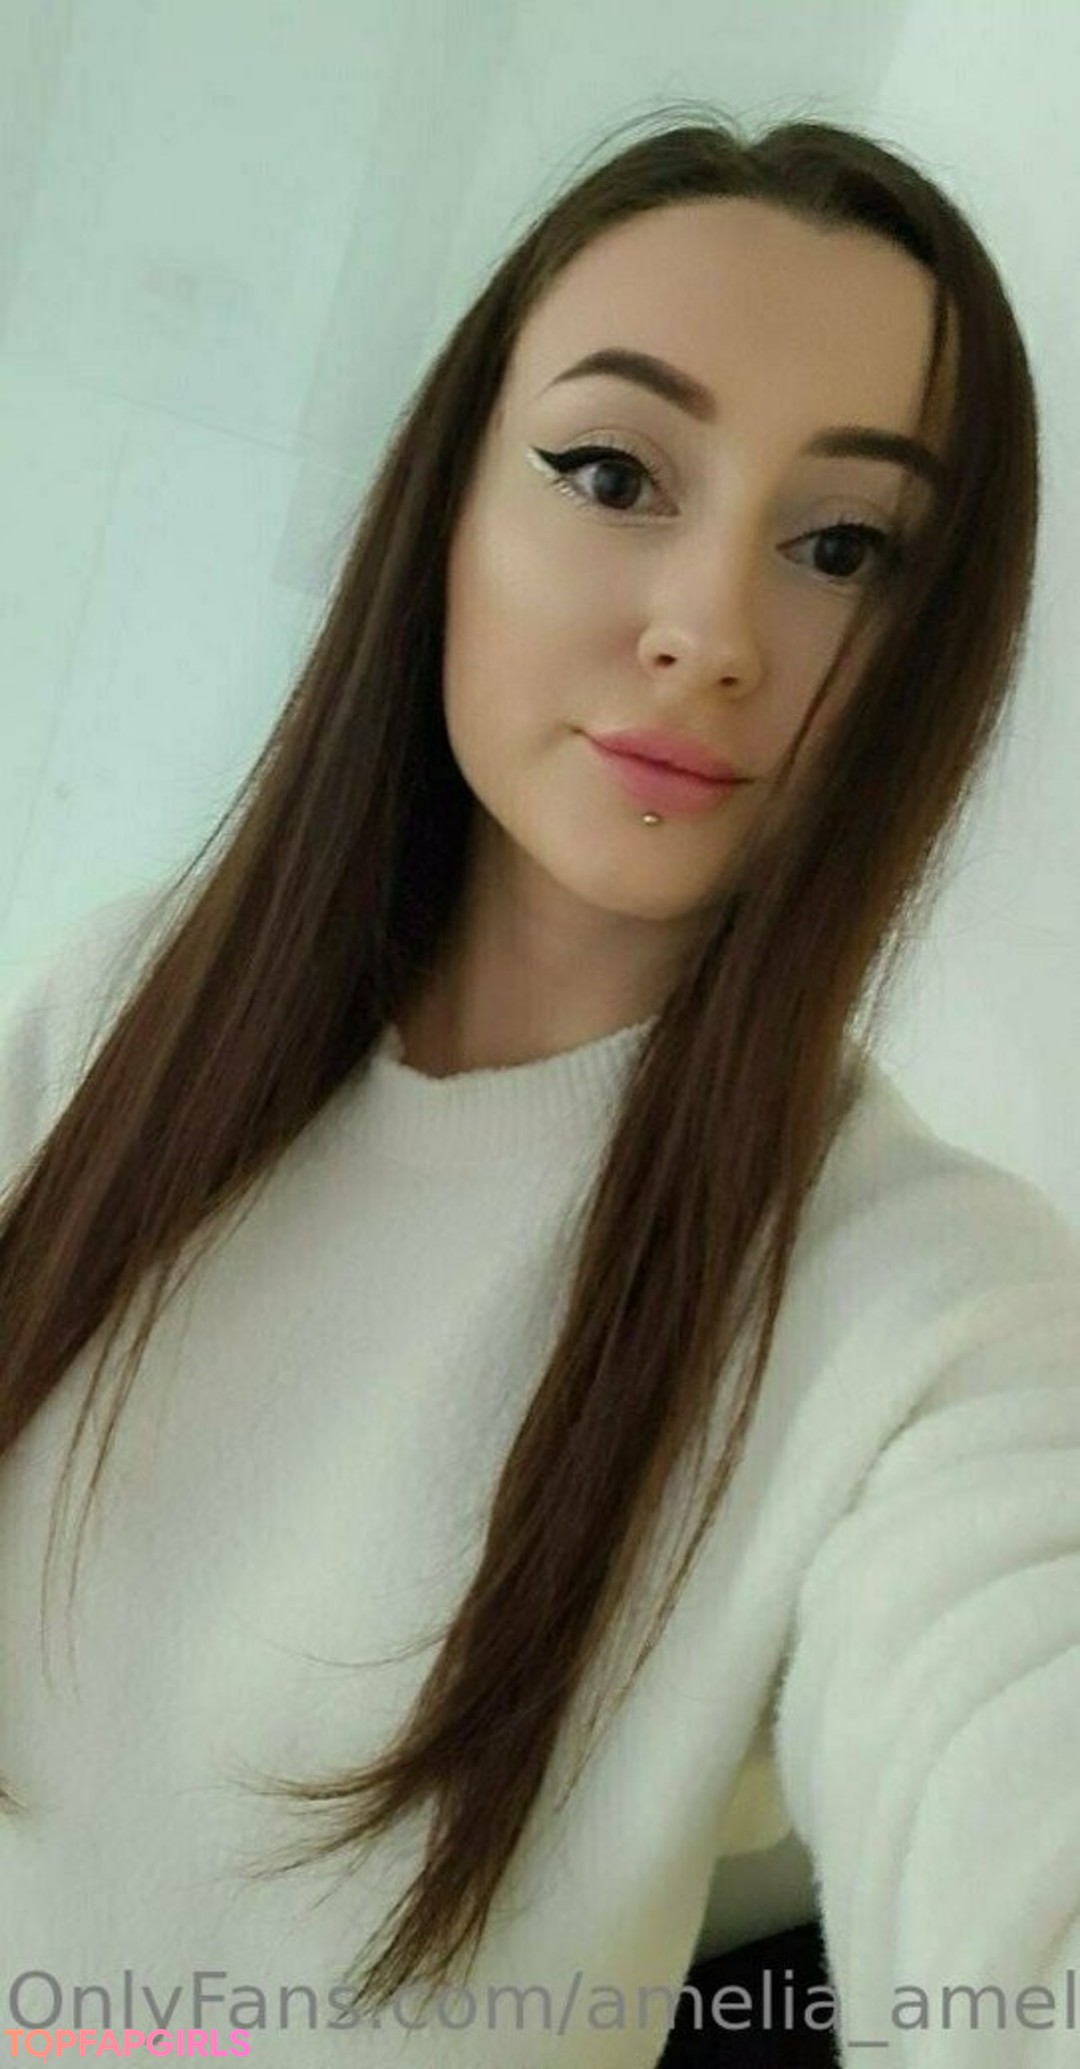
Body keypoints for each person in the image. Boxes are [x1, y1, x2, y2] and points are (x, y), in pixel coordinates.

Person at [0, 107, 1077, 2069]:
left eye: (844, 548)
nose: (712, 633)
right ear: (447, 506)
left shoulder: (932, 1308)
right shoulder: (116, 1017)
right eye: (612, 473)